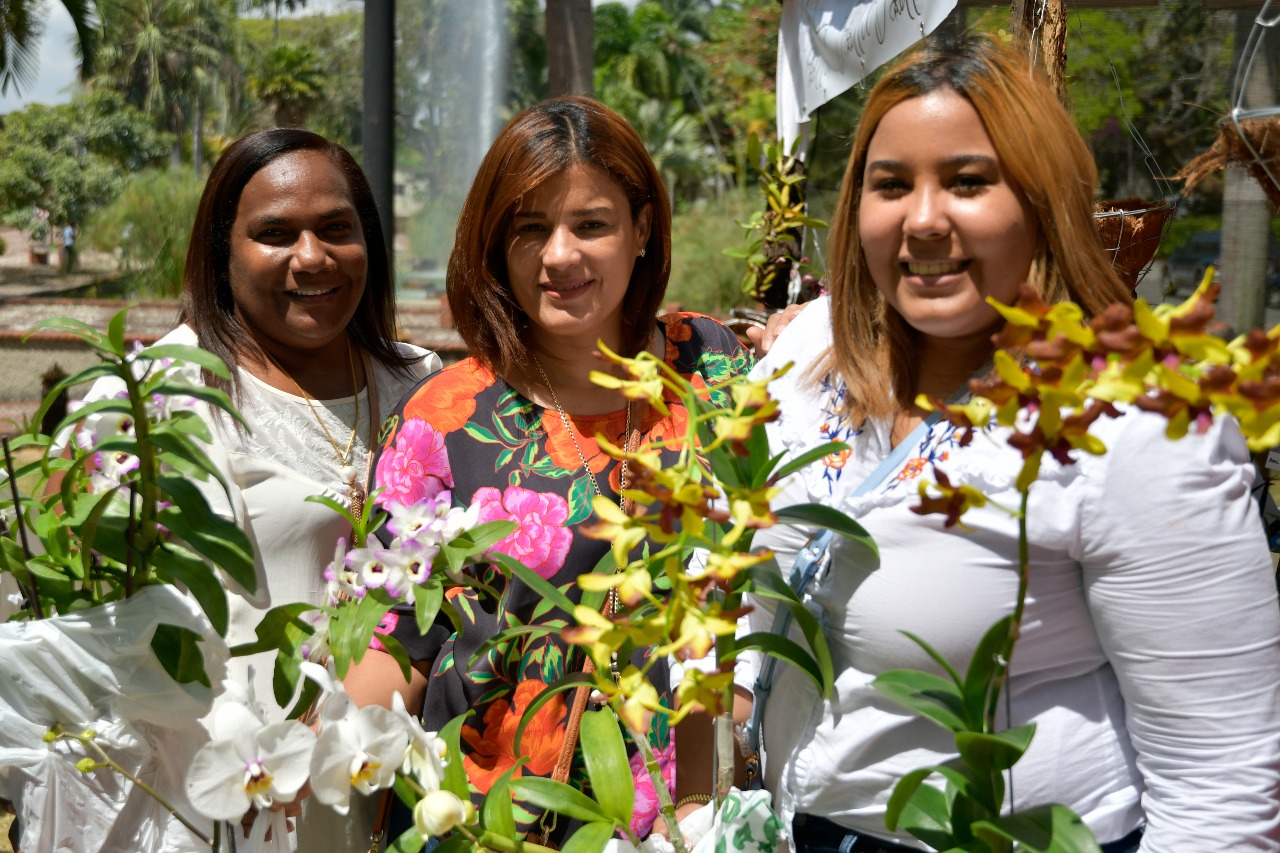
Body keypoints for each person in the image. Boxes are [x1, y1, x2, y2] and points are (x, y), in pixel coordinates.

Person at [741, 34, 1280, 853]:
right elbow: (749, 581)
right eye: (892, 184)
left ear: (1042, 202)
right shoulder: (808, 356)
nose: (924, 219)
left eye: (967, 181)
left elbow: (1222, 788)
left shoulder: (1136, 420)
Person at [357, 95, 751, 845]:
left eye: (591, 224)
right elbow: (394, 637)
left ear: (642, 227)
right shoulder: (444, 419)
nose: (559, 256)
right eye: (530, 229)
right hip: (498, 821)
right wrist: (315, 754)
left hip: (689, 818)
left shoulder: (712, 367)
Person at [74, 127, 442, 852]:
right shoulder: (159, 396)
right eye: (275, 234)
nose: (312, 256)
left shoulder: (420, 382)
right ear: (222, 253)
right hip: (223, 789)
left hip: (391, 784)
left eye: (336, 228)